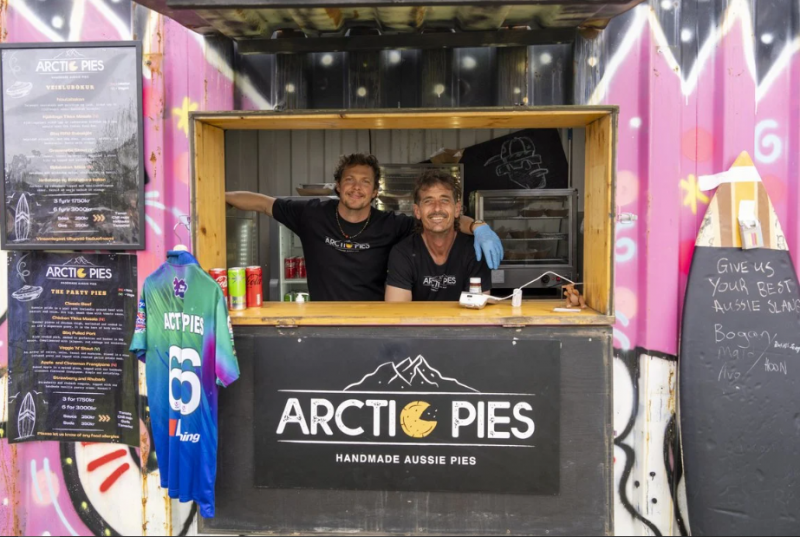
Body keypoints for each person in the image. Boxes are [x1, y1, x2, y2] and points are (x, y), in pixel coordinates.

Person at [225, 153, 503, 301]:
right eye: (349, 179)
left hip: (373, 322)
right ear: (338, 185)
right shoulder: (311, 214)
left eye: (365, 182)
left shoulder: (392, 224)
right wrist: (219, 197)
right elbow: (262, 203)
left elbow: (438, 220)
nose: (356, 187)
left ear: (375, 192)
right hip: (324, 322)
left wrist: (478, 227)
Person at [385, 169, 491, 302]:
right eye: (428, 201)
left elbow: (478, 306)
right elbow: (397, 310)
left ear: (457, 209)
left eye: (444, 200)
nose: (437, 208)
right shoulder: (403, 253)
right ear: (417, 211)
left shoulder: (474, 251)